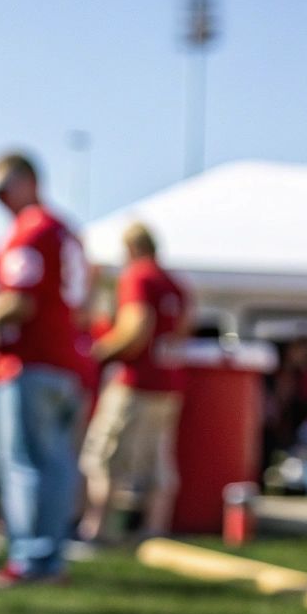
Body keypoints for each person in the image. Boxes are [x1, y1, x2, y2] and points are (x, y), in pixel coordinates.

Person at [0, 151, 91, 588]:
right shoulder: (65, 231)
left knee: (24, 464)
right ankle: (49, 556)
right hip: (66, 364)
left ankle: (29, 559)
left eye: (3, 188)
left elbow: (20, 301)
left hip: (30, 364)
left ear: (27, 181)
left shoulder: (31, 231)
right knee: (56, 463)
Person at [77, 223, 190, 542]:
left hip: (135, 382)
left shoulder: (137, 276)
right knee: (158, 459)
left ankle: (96, 530)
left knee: (104, 455)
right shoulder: (173, 283)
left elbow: (136, 326)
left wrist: (99, 352)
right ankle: (156, 529)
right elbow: (183, 329)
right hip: (169, 384)